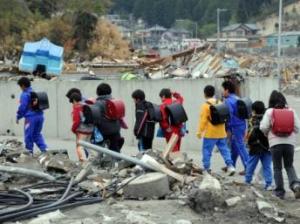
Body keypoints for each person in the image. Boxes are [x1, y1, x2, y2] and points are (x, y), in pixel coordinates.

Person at [260, 91, 300, 199]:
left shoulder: (270, 111)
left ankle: (280, 192)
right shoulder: (291, 111)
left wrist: (268, 133)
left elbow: (263, 127)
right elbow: (297, 127)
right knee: (289, 165)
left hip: (275, 143)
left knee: (277, 168)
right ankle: (296, 185)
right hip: (289, 144)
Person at [197, 85, 235, 175]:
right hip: (221, 132)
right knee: (224, 150)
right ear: (213, 93)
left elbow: (203, 120)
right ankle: (230, 166)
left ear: (205, 94)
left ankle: (206, 168)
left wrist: (199, 132)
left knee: (206, 150)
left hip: (210, 133)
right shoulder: (220, 102)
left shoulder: (205, 105)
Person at [222, 81, 249, 175]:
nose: (223, 92)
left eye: (223, 90)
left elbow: (229, 114)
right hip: (241, 124)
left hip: (235, 126)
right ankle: (231, 165)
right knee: (235, 146)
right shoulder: (237, 98)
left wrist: (227, 128)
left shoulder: (228, 100)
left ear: (227, 90)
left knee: (240, 146)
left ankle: (248, 167)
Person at [245, 101, 272, 190]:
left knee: (251, 165)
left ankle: (247, 181)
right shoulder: (268, 118)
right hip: (267, 146)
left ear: (254, 110)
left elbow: (249, 133)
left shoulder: (252, 119)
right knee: (267, 166)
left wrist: (248, 143)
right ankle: (269, 184)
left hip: (255, 147)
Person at [16, 77, 47, 154]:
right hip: (40, 116)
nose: (20, 88)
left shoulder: (24, 94)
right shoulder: (33, 92)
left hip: (31, 118)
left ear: (23, 85)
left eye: (20, 86)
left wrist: (18, 116)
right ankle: (45, 150)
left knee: (28, 136)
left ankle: (29, 153)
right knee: (37, 134)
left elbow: (22, 107)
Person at [95, 83, 124, 152]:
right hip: (116, 129)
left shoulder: (98, 103)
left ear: (98, 92)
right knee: (115, 150)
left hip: (104, 131)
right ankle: (117, 162)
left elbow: (96, 117)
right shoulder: (115, 101)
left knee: (101, 152)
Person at [69, 92, 94, 162]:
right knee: (88, 146)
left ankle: (84, 162)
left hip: (82, 131)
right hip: (90, 130)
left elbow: (76, 121)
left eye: (72, 102)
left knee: (79, 147)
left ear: (74, 100)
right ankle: (94, 158)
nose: (72, 104)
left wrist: (73, 129)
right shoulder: (86, 105)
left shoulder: (77, 108)